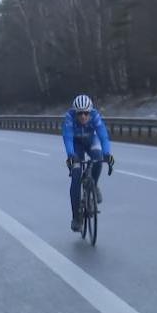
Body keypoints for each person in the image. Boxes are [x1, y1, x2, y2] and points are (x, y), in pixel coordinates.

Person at [62, 94, 115, 232]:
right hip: (76, 145)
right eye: (80, 113)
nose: (83, 116)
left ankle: (94, 185)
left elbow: (103, 136)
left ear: (90, 112)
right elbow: (67, 138)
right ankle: (76, 218)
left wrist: (107, 154)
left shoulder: (95, 116)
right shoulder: (69, 118)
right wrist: (71, 156)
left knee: (98, 158)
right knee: (76, 176)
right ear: (75, 112)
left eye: (86, 113)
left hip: (92, 141)